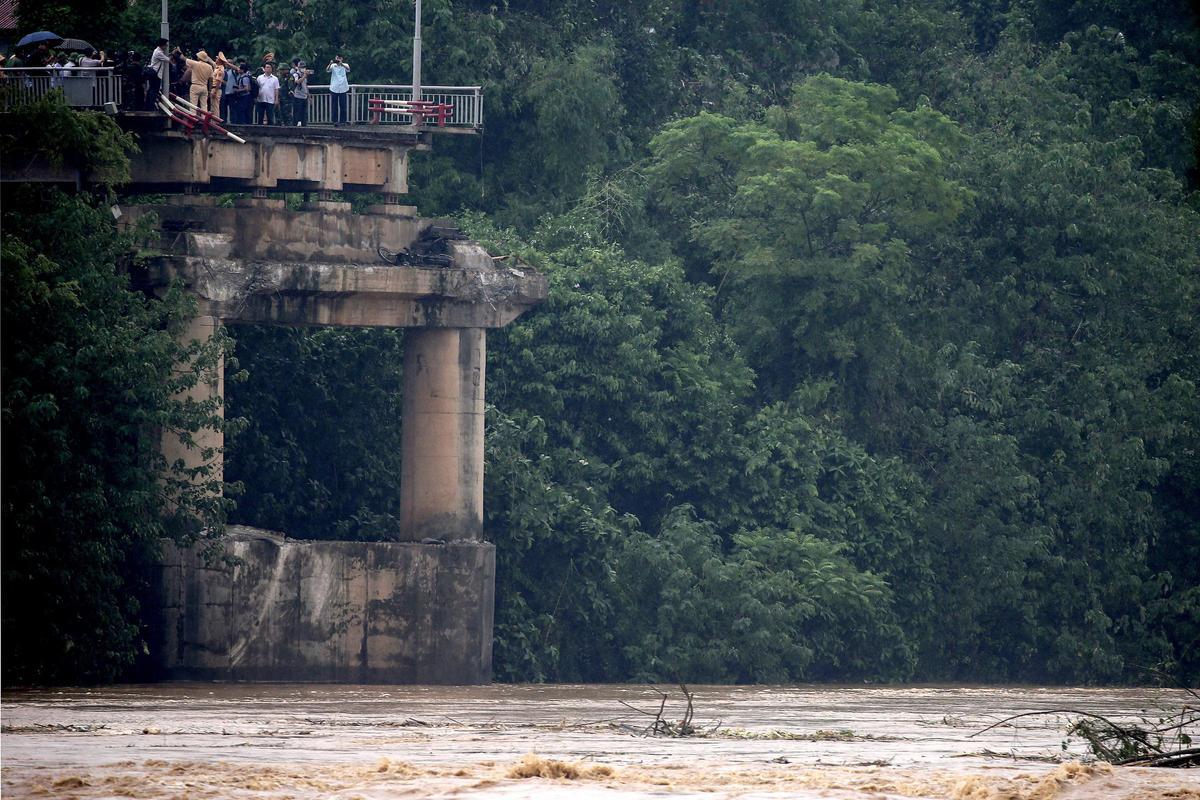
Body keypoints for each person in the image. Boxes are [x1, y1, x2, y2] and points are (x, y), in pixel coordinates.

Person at [181, 49, 214, 113]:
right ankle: (204, 119)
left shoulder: (195, 64)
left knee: (193, 105)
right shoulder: (210, 67)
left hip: (195, 86)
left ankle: (193, 119)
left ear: (199, 57)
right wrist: (209, 90)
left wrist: (179, 51)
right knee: (204, 106)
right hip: (204, 87)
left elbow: (183, 58)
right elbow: (211, 80)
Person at [145, 38, 169, 108]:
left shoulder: (157, 50)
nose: (166, 47)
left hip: (153, 73)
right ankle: (151, 105)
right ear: (162, 45)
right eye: (166, 45)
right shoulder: (159, 53)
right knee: (154, 90)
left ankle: (148, 105)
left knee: (151, 89)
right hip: (156, 74)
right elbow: (168, 60)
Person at [326, 54, 350, 125]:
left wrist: (341, 64)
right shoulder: (333, 66)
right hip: (334, 87)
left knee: (343, 105)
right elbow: (327, 70)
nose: (338, 59)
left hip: (343, 88)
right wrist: (330, 63)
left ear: (342, 58)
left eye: (339, 58)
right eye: (336, 58)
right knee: (334, 105)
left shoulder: (345, 65)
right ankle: (335, 121)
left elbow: (348, 69)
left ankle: (343, 121)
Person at [289, 59, 310, 126]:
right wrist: (304, 76)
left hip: (304, 96)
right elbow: (297, 82)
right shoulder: (296, 74)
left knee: (304, 113)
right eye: (302, 67)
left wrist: (309, 95)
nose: (303, 69)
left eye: (304, 67)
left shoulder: (305, 75)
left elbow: (305, 86)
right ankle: (295, 126)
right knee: (297, 113)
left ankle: (304, 126)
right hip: (297, 96)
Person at [220, 57, 239, 122]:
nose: (227, 64)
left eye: (230, 63)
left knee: (232, 109)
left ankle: (233, 122)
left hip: (231, 93)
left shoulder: (233, 71)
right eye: (226, 63)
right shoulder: (223, 71)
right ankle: (223, 122)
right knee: (223, 109)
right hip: (224, 93)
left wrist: (227, 63)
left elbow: (237, 68)